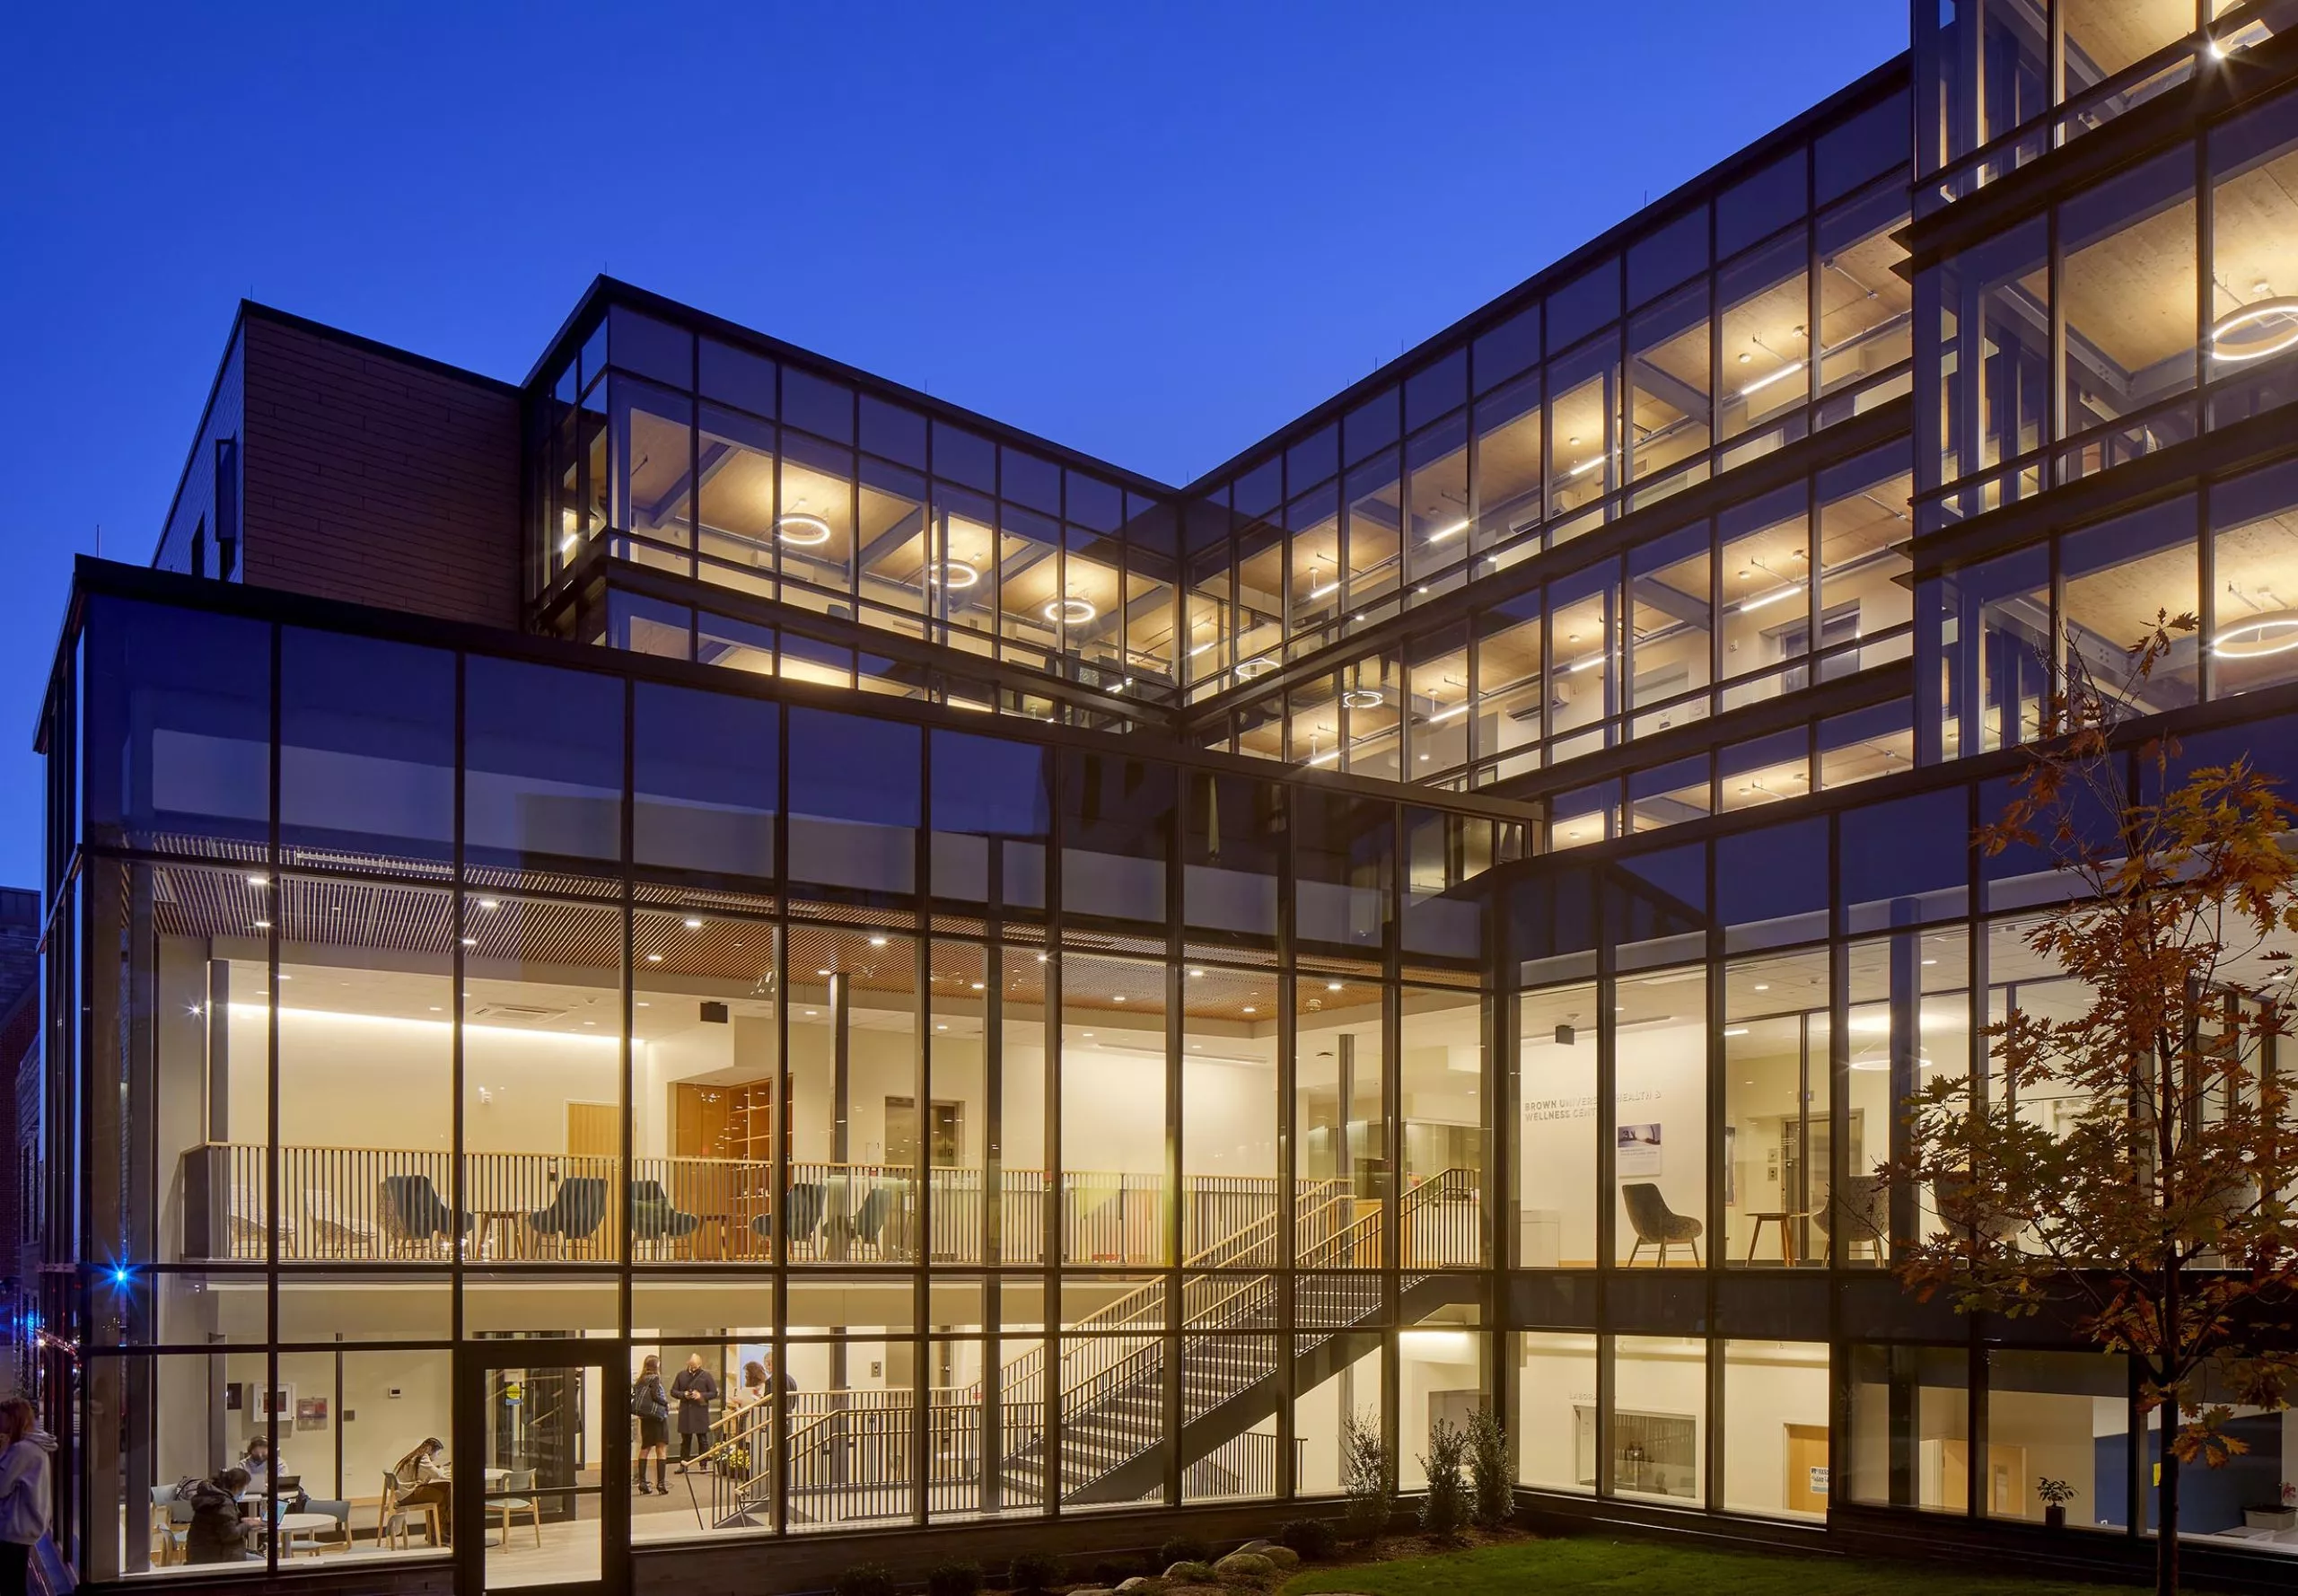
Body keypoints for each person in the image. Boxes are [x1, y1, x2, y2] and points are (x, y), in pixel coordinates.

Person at [0, 1398, 54, 1596]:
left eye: (2, 1419)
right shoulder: (34, 1447)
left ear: (13, 1420)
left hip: (15, 1527)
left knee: (10, 1585)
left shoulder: (21, 1450)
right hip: (26, 1525)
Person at [182, 1468, 250, 1565]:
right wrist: (248, 1525)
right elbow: (230, 1534)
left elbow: (222, 1524)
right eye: (246, 1487)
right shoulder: (224, 1503)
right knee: (263, 1563)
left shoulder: (213, 1498)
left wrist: (241, 1522)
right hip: (217, 1557)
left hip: (201, 1554)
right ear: (237, 1487)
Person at [391, 1438, 451, 1545]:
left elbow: (428, 1474)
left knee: (447, 1487)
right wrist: (441, 1468)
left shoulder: (416, 1456)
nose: (437, 1457)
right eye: (438, 1453)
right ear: (431, 1450)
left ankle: (439, 1530)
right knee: (441, 1497)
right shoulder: (423, 1457)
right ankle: (439, 1532)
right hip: (408, 1494)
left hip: (407, 1492)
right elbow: (437, 1474)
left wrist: (437, 1469)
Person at [670, 1353, 719, 1473]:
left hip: (700, 1412)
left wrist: (701, 1395)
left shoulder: (706, 1376)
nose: (693, 1368)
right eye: (691, 1365)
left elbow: (714, 1393)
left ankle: (703, 1464)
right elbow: (673, 1391)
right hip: (685, 1412)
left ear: (700, 1365)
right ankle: (683, 1465)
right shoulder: (681, 1375)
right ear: (688, 1363)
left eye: (695, 1366)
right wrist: (684, 1394)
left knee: (703, 1440)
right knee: (685, 1441)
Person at [630, 1355, 670, 1495]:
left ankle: (642, 1482)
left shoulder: (640, 1380)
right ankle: (661, 1484)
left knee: (645, 1448)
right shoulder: (655, 1378)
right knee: (661, 1449)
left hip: (645, 1418)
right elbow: (655, 1396)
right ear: (656, 1366)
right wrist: (666, 1403)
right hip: (658, 1418)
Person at [240, 1435, 307, 1512]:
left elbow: (281, 1482)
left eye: (263, 1453)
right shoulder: (242, 1465)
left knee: (298, 1492)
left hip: (274, 1499)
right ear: (250, 1451)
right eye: (256, 1453)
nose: (260, 1456)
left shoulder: (279, 1463)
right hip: (247, 1501)